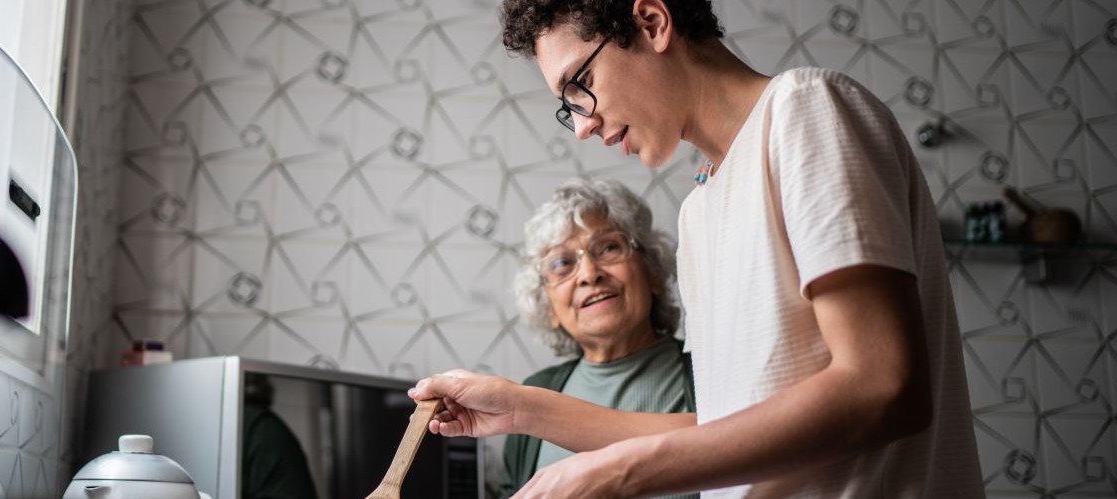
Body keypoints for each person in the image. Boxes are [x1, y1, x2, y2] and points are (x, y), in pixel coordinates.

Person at [408, 0, 983, 497]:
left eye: (579, 85)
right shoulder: (700, 209)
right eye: (568, 106)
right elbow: (726, 431)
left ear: (653, 21)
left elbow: (883, 385)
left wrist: (620, 474)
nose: (582, 125)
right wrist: (520, 409)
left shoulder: (804, 110)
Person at [498, 178, 695, 499]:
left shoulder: (708, 374)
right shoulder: (533, 393)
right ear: (549, 307)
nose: (589, 273)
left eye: (608, 248)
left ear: (653, 273)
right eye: (562, 264)